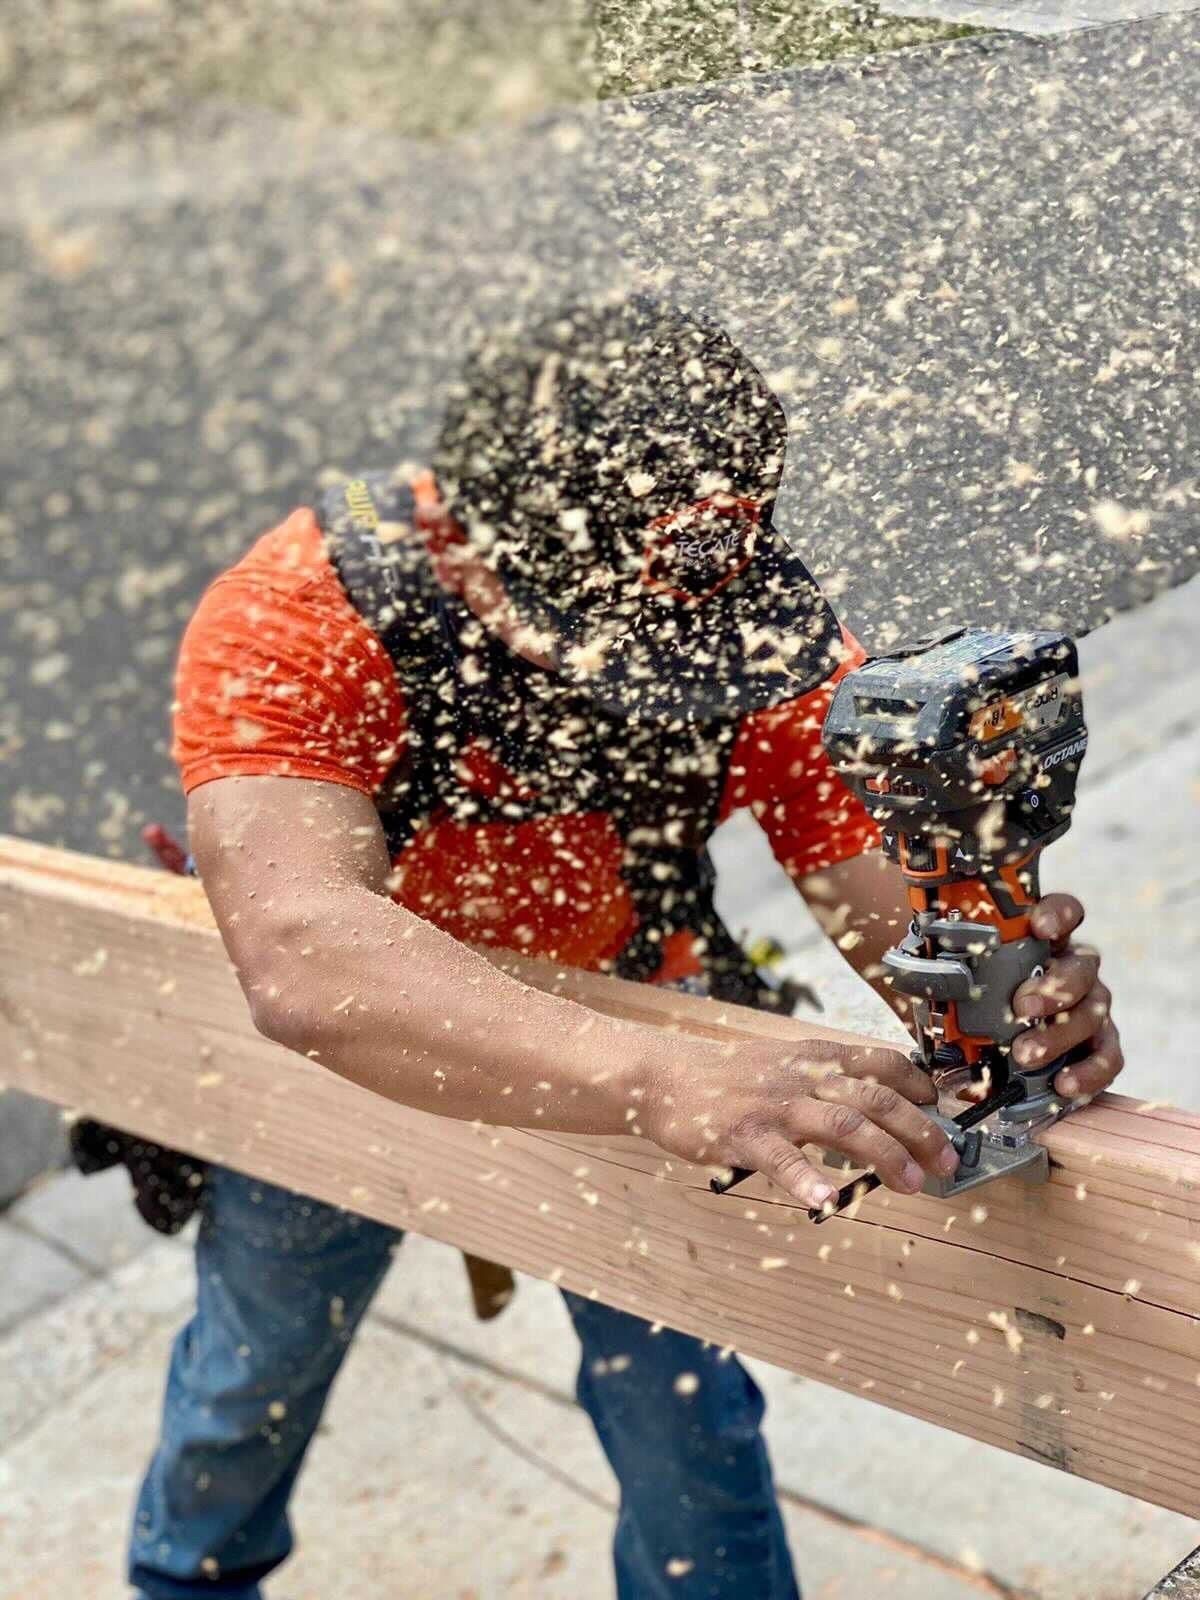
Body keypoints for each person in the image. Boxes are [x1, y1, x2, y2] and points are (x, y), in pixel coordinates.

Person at [131, 297, 1122, 1600]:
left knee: (688, 1423)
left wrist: (995, 998)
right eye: (624, 647)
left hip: (630, 994)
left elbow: (880, 890)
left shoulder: (741, 611)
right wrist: (661, 1077)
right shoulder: (311, 609)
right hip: (363, 1041)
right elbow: (307, 955)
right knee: (255, 1370)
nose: (668, 670)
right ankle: (185, 1582)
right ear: (477, 560)